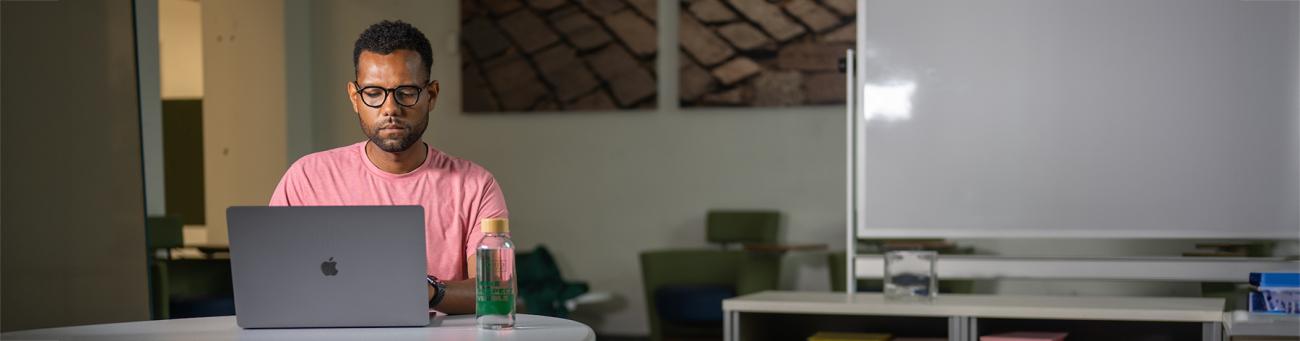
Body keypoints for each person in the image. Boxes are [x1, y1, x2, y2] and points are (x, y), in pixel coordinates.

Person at [269, 20, 507, 315]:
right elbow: (273, 280)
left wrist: (427, 291)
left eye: (406, 92)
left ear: (431, 95)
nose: (390, 108)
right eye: (373, 93)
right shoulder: (307, 178)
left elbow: (497, 292)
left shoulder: (476, 185)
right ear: (355, 98)